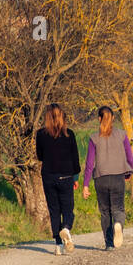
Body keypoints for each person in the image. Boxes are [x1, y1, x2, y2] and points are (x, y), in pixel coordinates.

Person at [82, 106, 133, 250]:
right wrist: (128, 172)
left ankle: (109, 243)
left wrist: (86, 185)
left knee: (105, 212)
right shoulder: (122, 135)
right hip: (118, 176)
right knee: (118, 209)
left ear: (99, 118)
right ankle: (118, 224)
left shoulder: (94, 138)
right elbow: (130, 157)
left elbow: (89, 163)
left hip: (101, 178)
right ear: (113, 119)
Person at [34, 104, 81, 255]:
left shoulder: (40, 134)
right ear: (62, 116)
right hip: (66, 175)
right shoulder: (69, 134)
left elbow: (40, 156)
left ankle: (58, 245)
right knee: (68, 208)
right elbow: (75, 158)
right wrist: (76, 177)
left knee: (54, 210)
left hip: (48, 176)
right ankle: (66, 228)